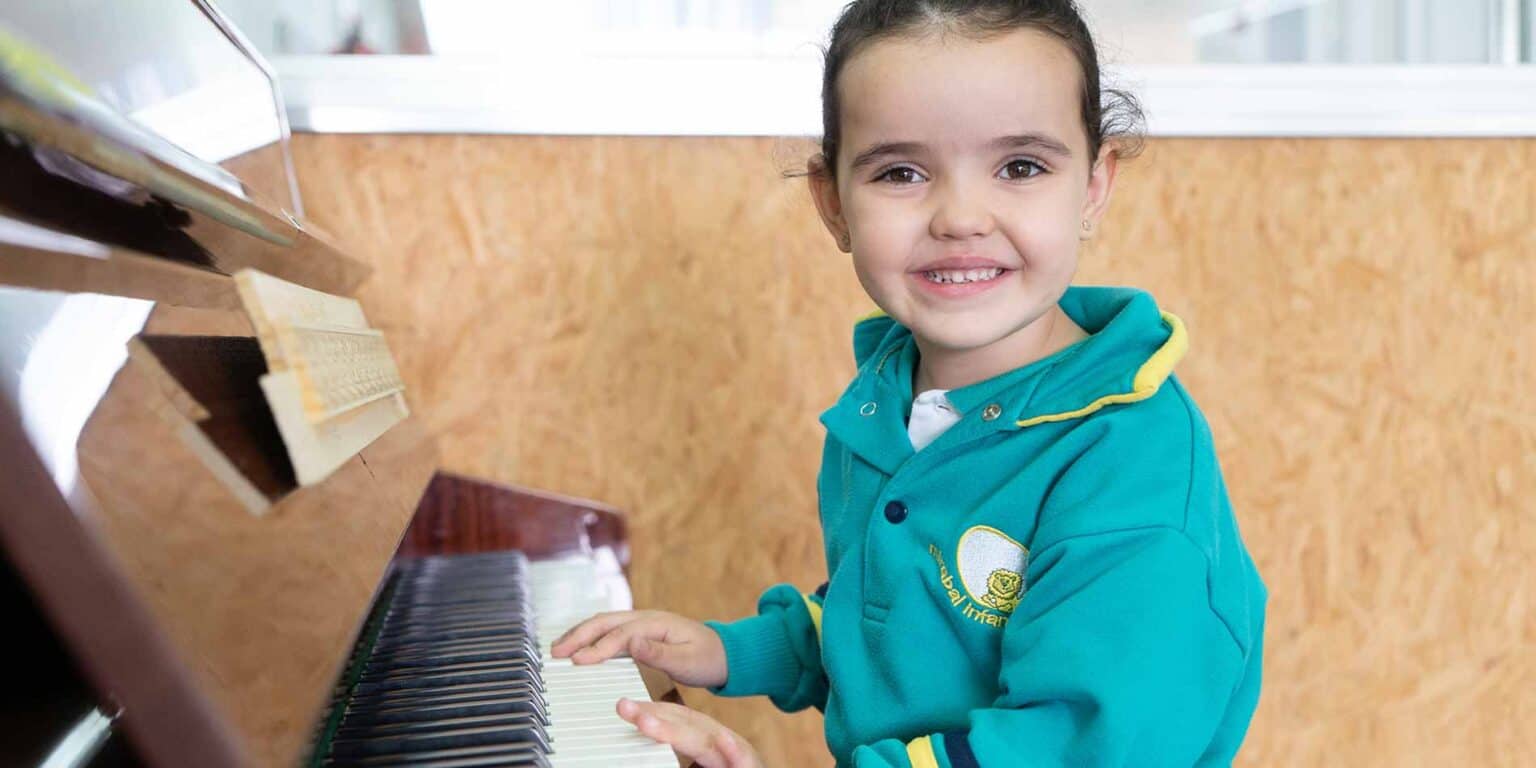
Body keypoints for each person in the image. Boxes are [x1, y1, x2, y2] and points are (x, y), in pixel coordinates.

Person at [552, 2, 1267, 766]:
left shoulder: (1131, 472)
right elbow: (899, 623)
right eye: (901, 173)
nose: (960, 217)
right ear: (833, 204)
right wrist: (737, 651)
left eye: (1020, 167)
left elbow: (1068, 745)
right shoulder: (888, 402)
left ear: (1093, 187)